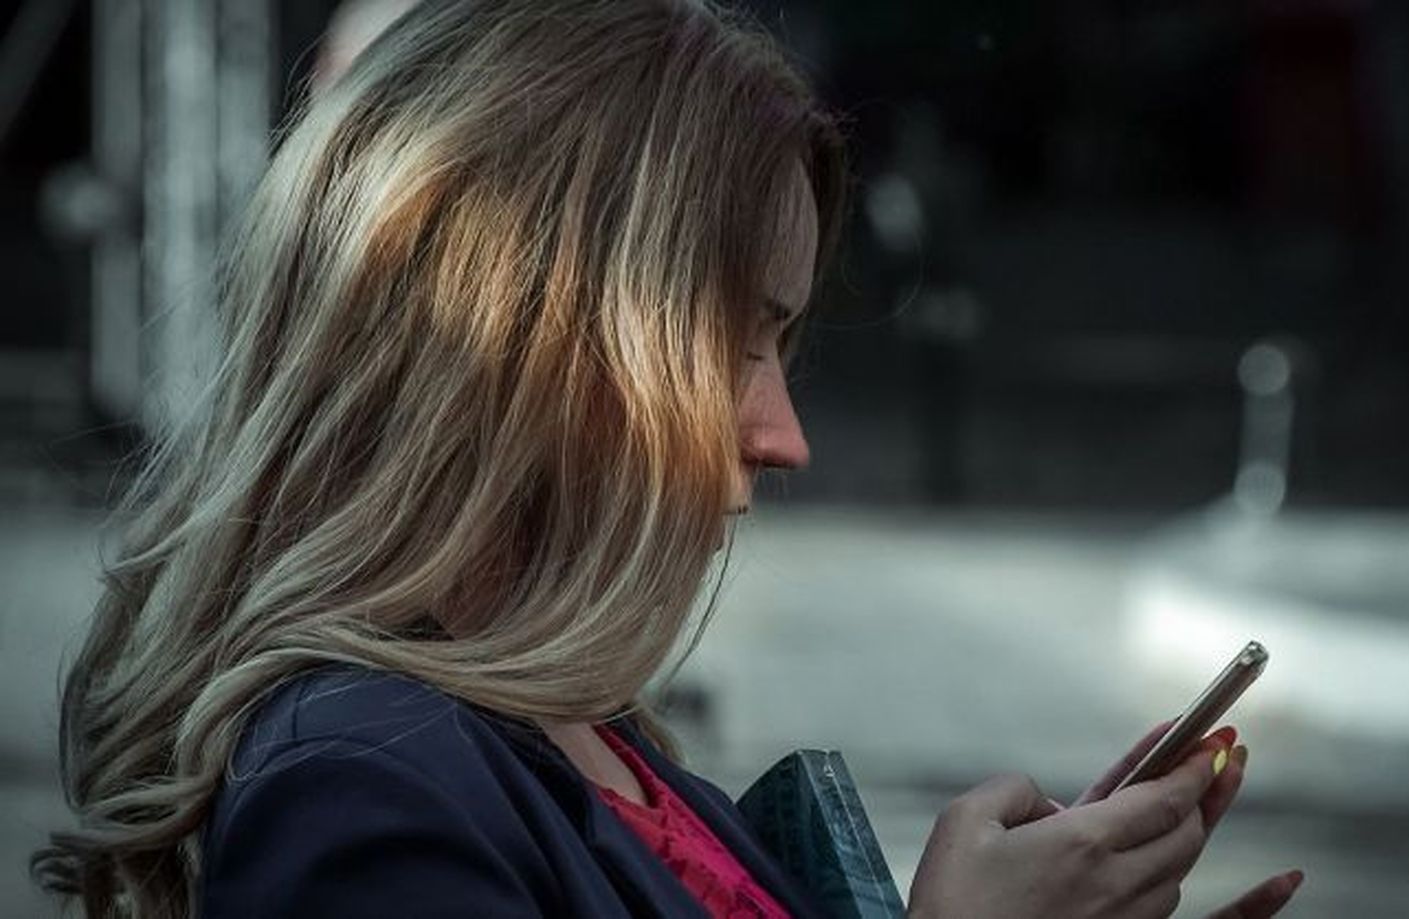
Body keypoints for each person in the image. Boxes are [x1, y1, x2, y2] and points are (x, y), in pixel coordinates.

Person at [31, 1, 1304, 917]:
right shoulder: (361, 783)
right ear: (514, 339)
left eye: (782, 344)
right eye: (732, 341)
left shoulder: (568, 727)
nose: (783, 435)